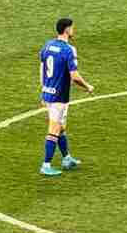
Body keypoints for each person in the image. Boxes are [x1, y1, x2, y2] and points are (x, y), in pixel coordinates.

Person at [39, 17, 94, 177]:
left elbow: (41, 69)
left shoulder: (47, 45)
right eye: (72, 28)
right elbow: (74, 76)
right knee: (54, 128)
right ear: (67, 29)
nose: (74, 31)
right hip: (59, 96)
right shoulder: (68, 50)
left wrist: (43, 90)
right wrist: (87, 86)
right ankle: (46, 164)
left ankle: (66, 158)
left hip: (48, 92)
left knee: (61, 127)